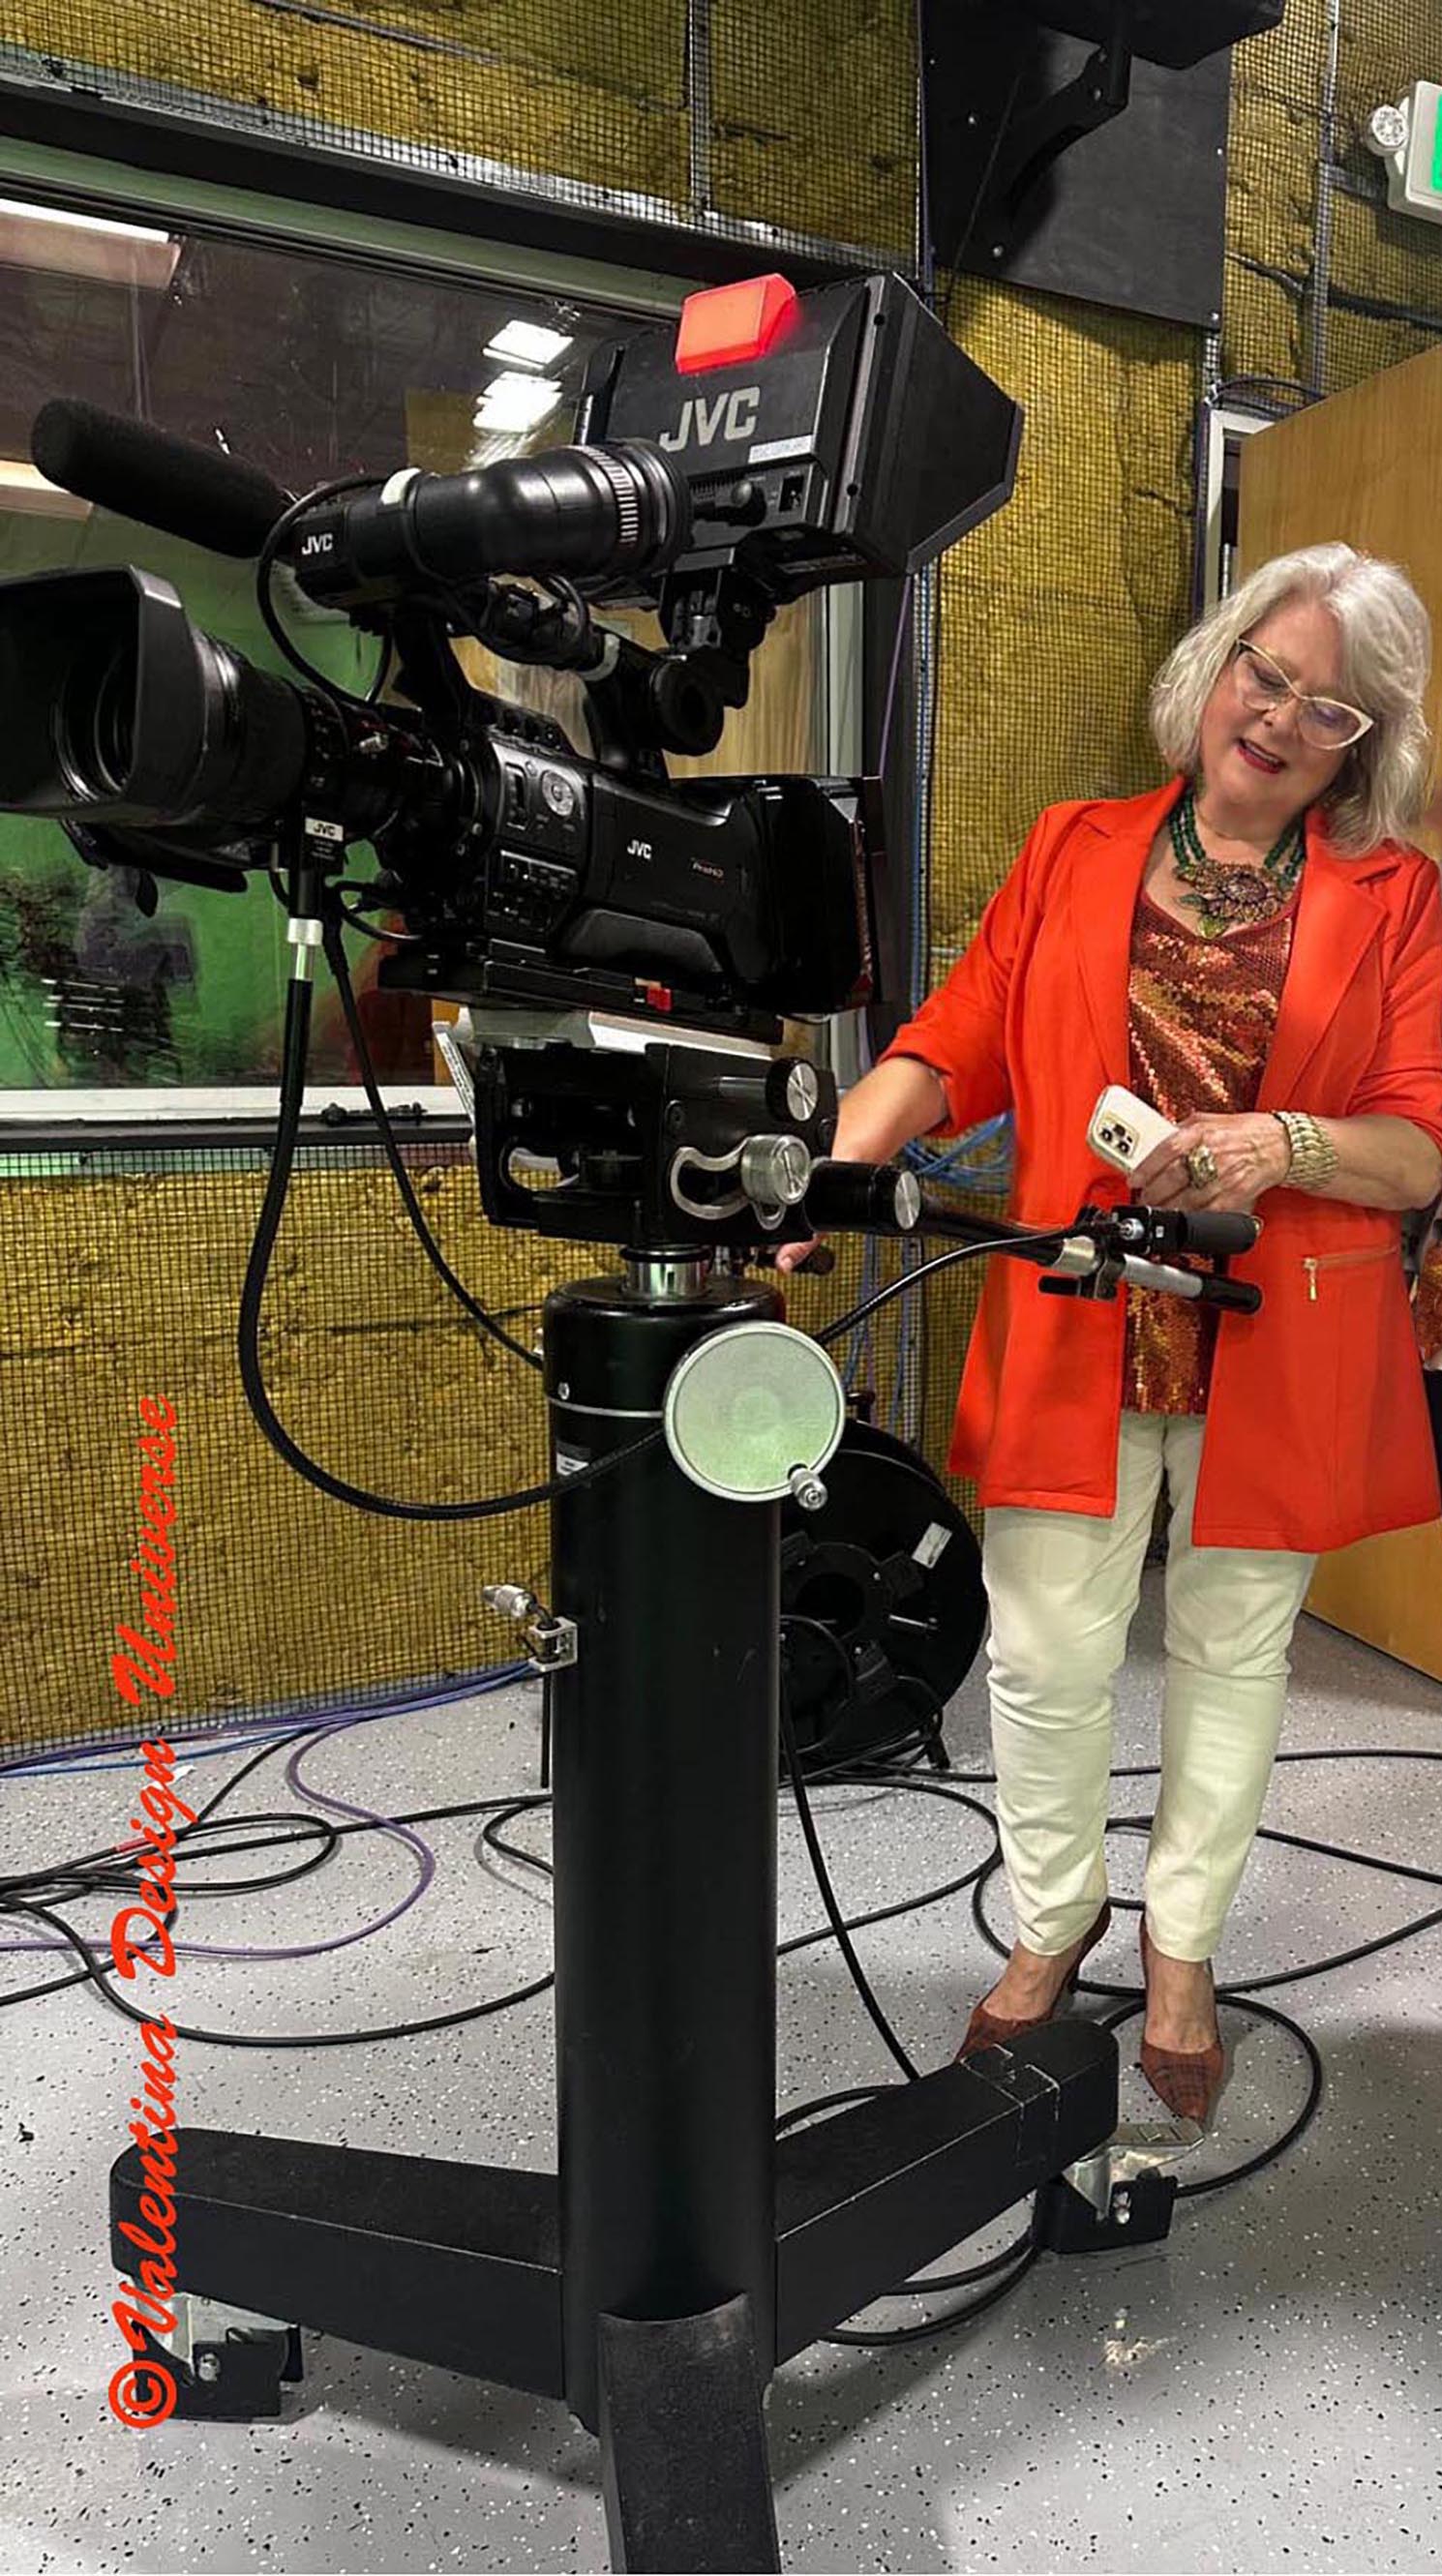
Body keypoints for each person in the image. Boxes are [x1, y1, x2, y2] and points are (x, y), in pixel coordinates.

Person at [780, 544, 1442, 2123]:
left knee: (1232, 1655)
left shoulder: (1399, 897)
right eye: (1265, 674)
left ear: (1364, 746)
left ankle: (1181, 1945)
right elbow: (950, 1043)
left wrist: (1280, 1142)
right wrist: (829, 1169)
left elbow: (1416, 1147)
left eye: (1328, 710)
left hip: (1273, 1332)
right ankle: (1052, 1920)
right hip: (1075, 1315)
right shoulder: (1073, 846)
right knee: (1043, 1655)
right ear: (1216, 665)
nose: (1276, 718)